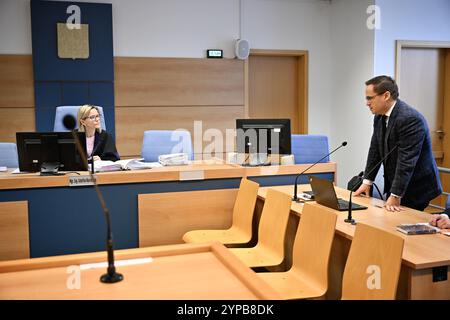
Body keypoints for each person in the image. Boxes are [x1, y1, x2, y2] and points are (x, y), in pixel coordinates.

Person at [354, 75, 442, 212]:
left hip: (416, 187)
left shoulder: (410, 119)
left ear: (386, 95)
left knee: (402, 226)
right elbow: (375, 150)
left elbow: (406, 161)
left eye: (370, 98)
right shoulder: (380, 116)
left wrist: (395, 195)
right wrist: (367, 181)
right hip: (398, 184)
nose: (367, 103)